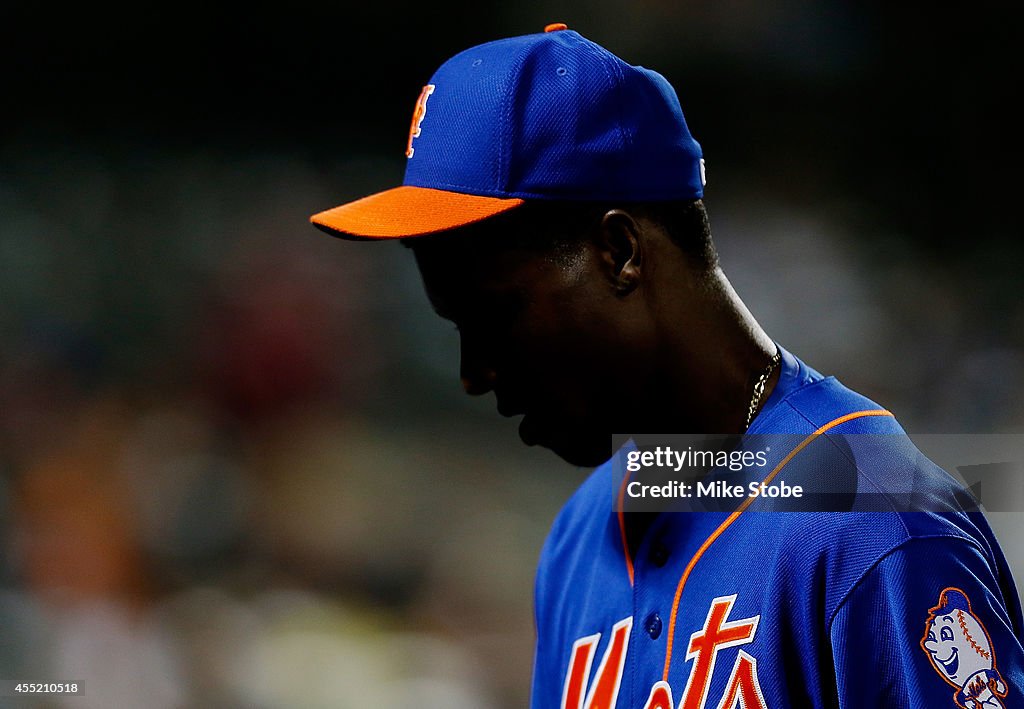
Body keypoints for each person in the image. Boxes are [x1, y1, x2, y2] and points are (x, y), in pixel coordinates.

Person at [310, 25, 1024, 708]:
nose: (473, 372)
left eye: (494, 318)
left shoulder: (876, 524)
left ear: (619, 251)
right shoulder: (580, 535)